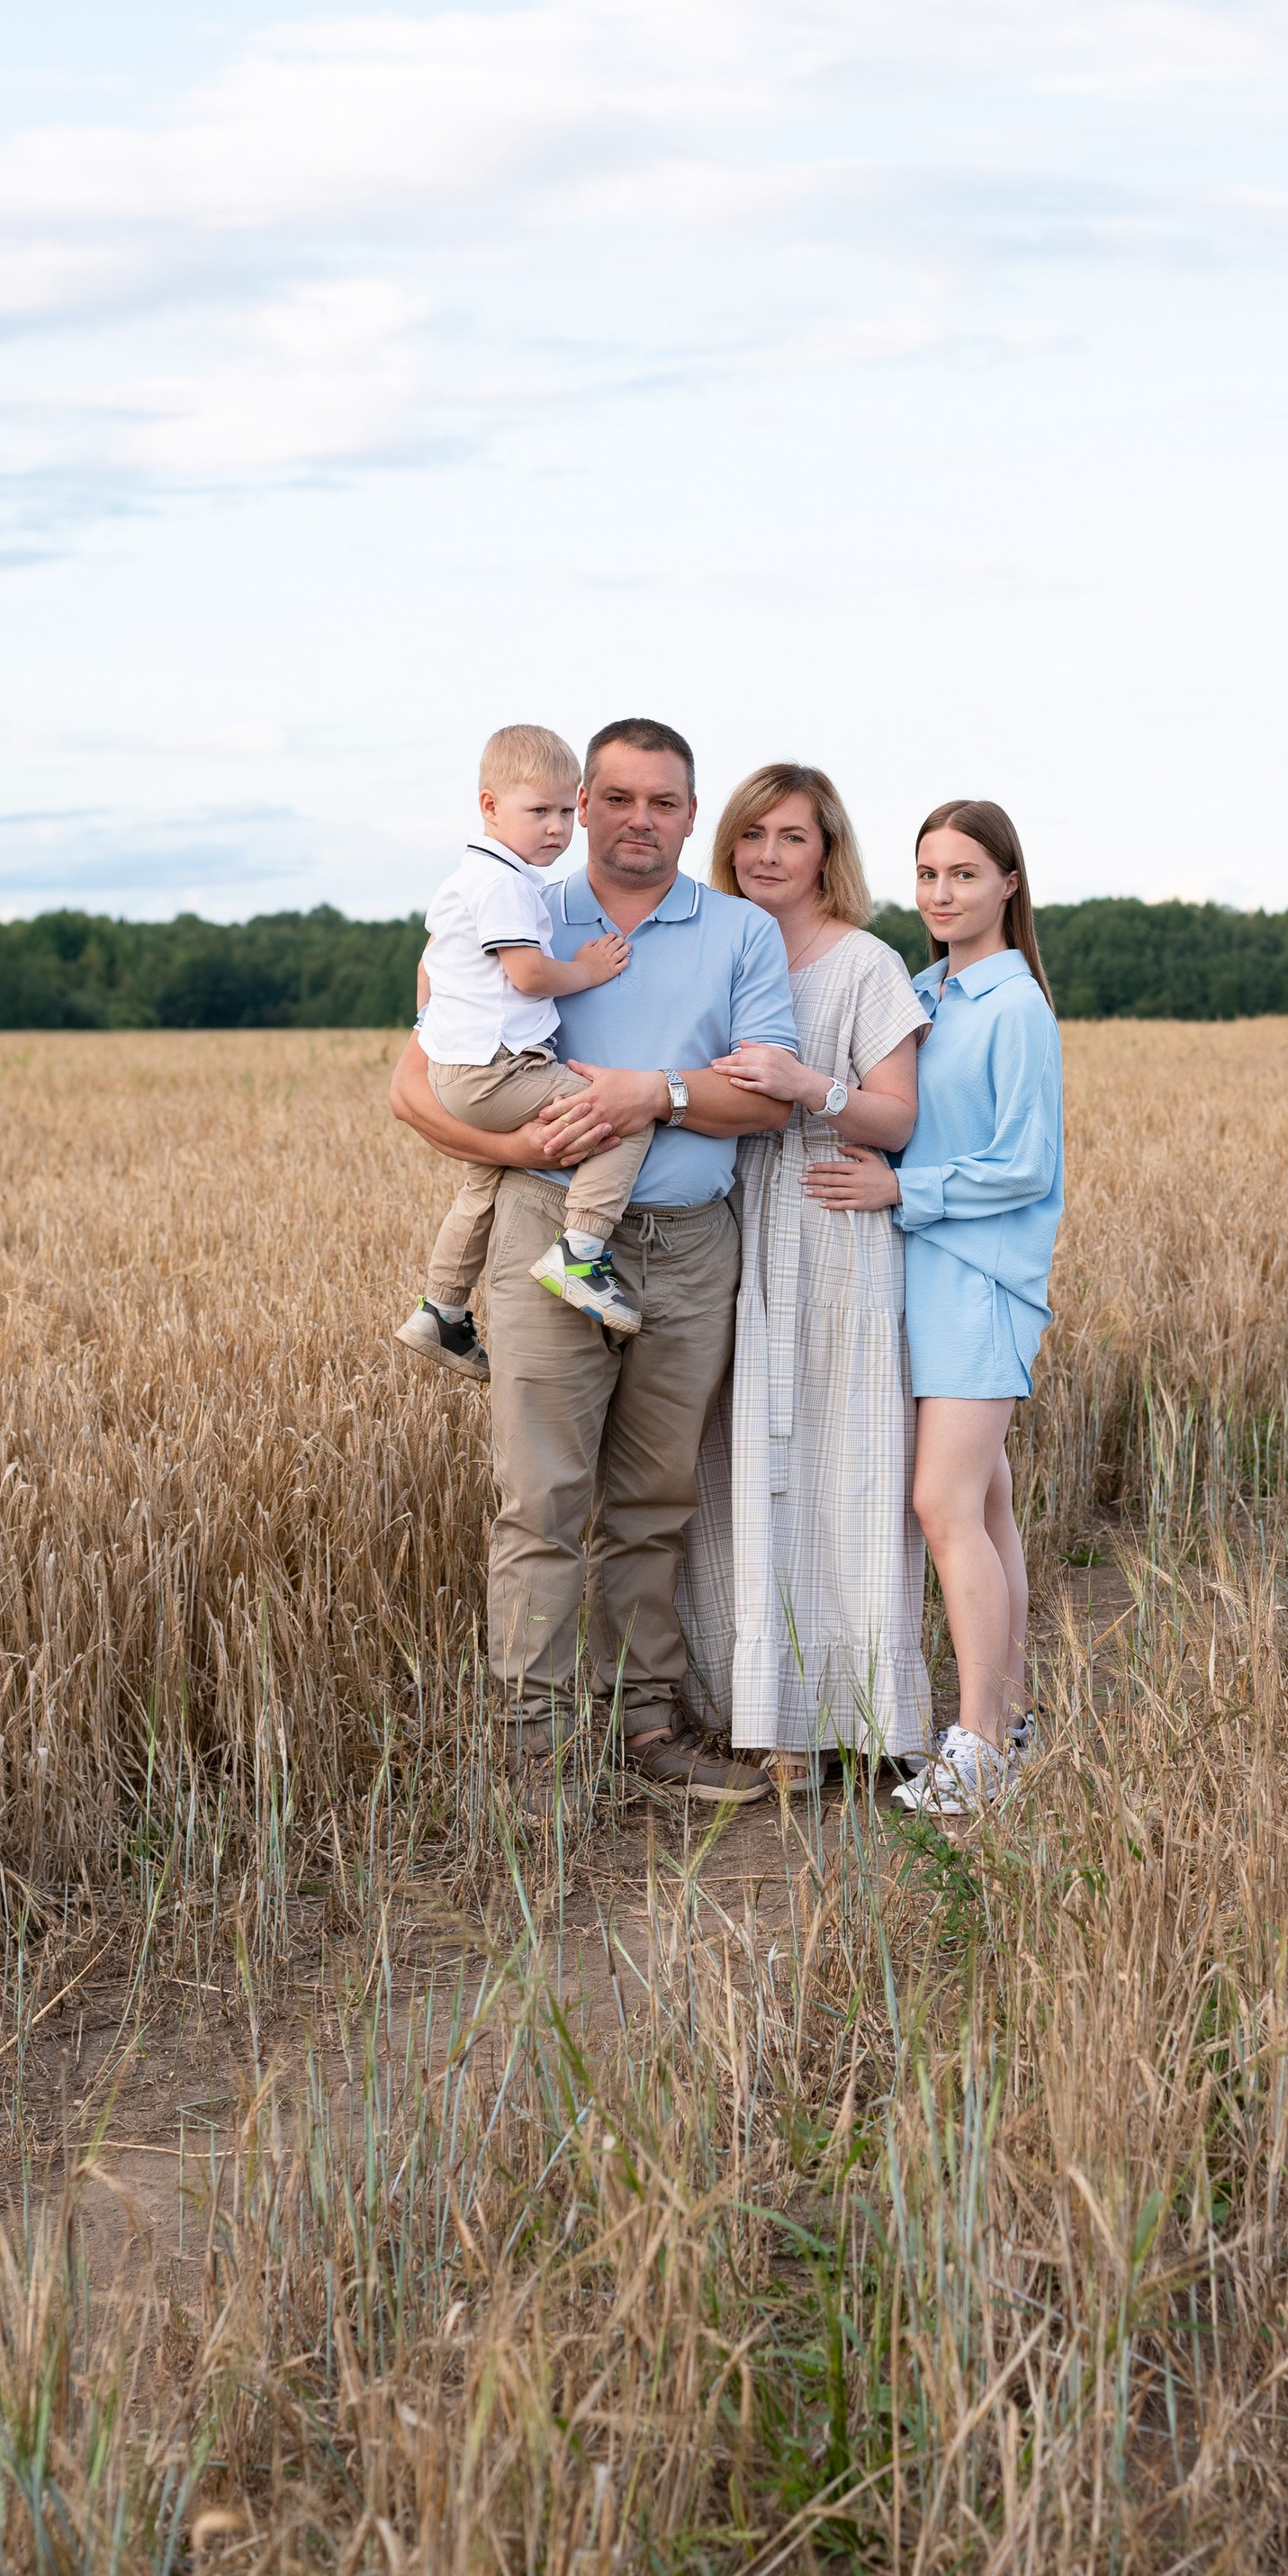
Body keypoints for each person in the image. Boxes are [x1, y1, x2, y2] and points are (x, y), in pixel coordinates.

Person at [388, 717, 798, 1807]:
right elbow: (414, 1089)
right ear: (580, 806)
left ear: (691, 814)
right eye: (615, 798)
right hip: (546, 1235)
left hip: (691, 1248)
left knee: (654, 1499)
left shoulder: (740, 933)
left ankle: (648, 1724)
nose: (636, 820)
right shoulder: (514, 905)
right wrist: (521, 1148)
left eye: (662, 802)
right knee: (542, 1499)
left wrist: (652, 1093)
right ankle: (535, 1751)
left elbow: (767, 1095)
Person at [806, 798, 1064, 1820]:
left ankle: (979, 1743)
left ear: (1008, 883)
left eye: (964, 873)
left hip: (980, 1285)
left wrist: (900, 1188)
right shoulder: (922, 994)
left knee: (942, 1506)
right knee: (986, 1507)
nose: (942, 893)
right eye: (927, 873)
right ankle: (1014, 1720)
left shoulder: (1014, 1007)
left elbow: (1025, 1165)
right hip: (922, 1279)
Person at [679, 765, 930, 1787]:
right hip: (733, 1227)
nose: (767, 854)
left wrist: (806, 1084)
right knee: (736, 1475)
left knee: (843, 1470)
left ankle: (859, 1717)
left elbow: (897, 1117)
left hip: (833, 1231)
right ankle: (770, 1718)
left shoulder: (865, 962)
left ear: (827, 850)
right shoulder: (715, 951)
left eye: (791, 836)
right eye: (752, 834)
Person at [396, 722, 648, 1380]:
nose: (557, 828)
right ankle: (580, 1251)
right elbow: (530, 975)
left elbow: (428, 970)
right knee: (617, 1112)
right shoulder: (505, 884)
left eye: (566, 811)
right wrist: (588, 968)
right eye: (539, 811)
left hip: (459, 1068)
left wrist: (442, 1029)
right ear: (489, 806)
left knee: (484, 1181)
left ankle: (441, 1308)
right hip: (497, 1069)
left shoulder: (467, 878)